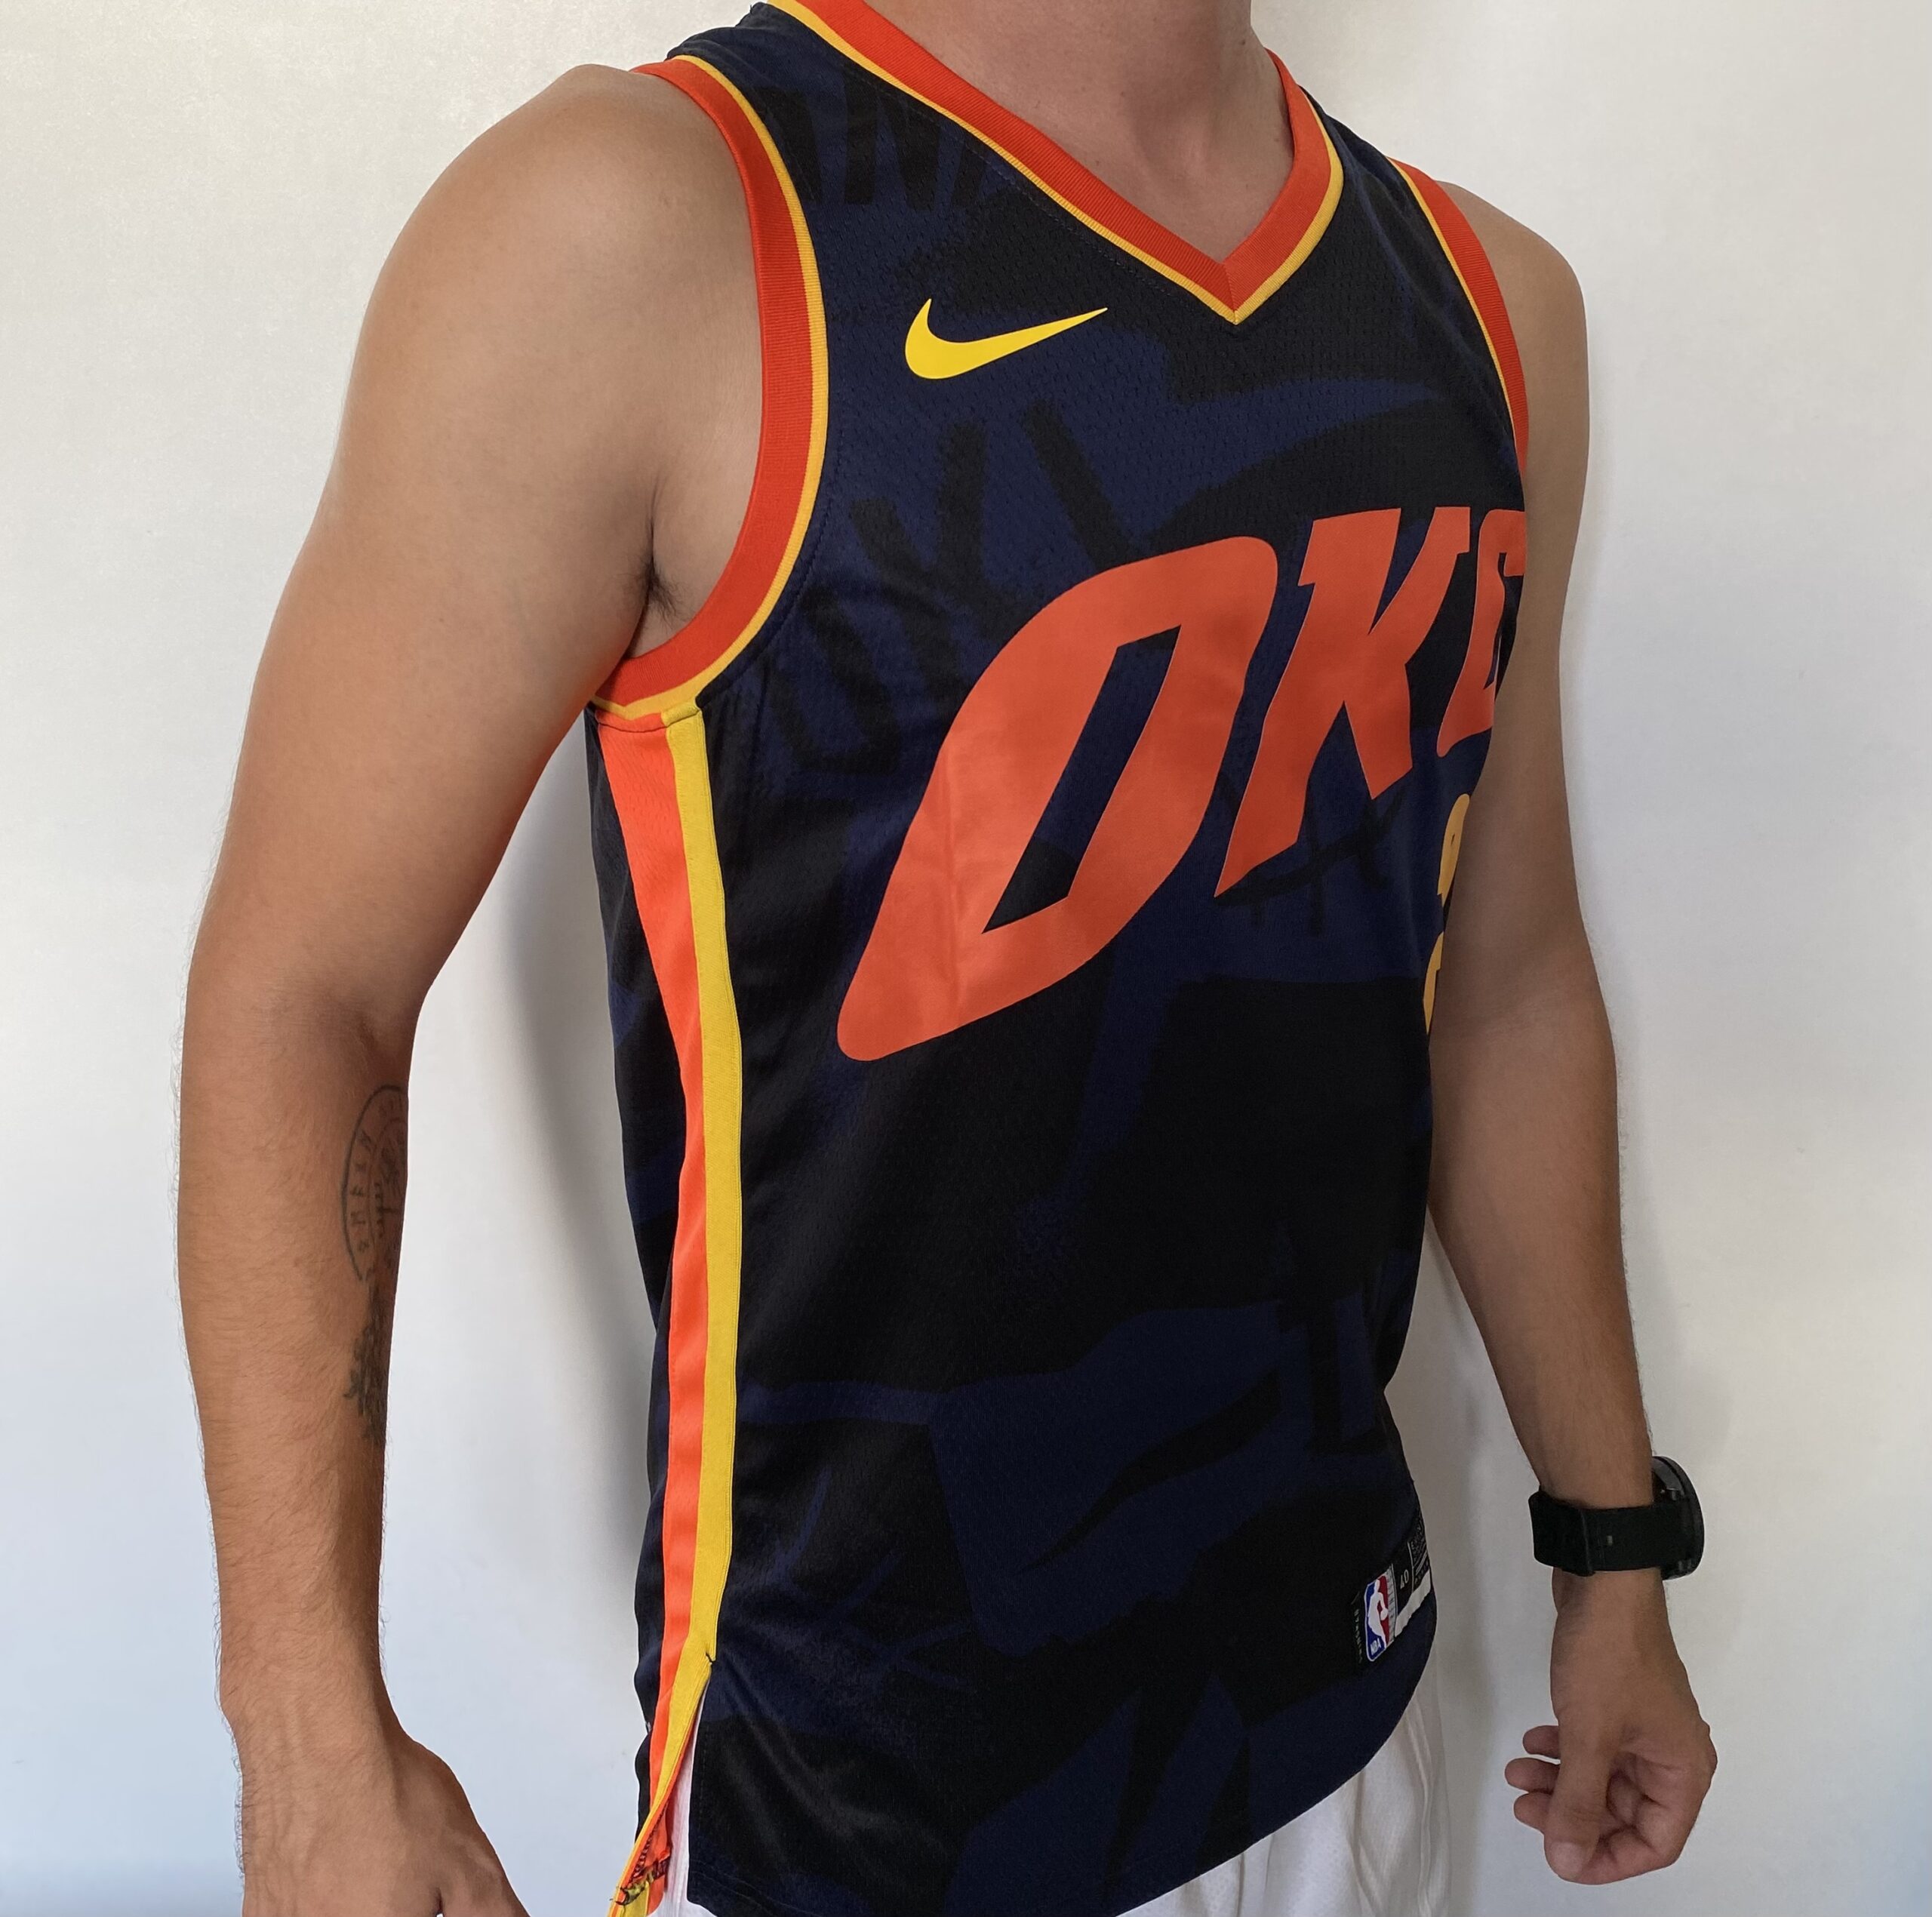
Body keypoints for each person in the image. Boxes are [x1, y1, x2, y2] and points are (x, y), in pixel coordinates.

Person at [177, 1, 1717, 1912]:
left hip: (1339, 1717)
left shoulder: (1489, 307)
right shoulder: (645, 218)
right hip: (861, 1800)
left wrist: (1607, 1542)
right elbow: (305, 993)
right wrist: (310, 1737)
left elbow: (1503, 987)